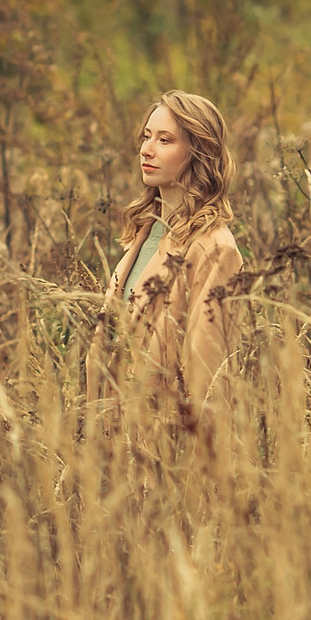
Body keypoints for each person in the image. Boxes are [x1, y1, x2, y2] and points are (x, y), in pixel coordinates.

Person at [85, 90, 244, 441]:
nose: (147, 149)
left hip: (160, 448)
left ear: (199, 152)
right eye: (146, 136)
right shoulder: (145, 233)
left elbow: (206, 375)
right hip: (109, 441)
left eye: (165, 139)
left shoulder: (214, 249)